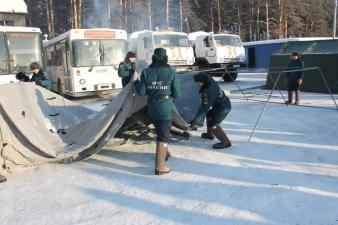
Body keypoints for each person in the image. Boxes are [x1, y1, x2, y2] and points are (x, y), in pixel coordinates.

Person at [134, 48, 180, 175]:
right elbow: (177, 93)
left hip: (152, 108)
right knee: (163, 135)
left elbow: (141, 92)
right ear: (166, 58)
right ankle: (160, 167)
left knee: (161, 131)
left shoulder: (146, 72)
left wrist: (137, 83)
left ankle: (164, 153)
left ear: (153, 58)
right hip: (165, 108)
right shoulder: (171, 73)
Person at [190, 72, 232, 149]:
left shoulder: (208, 92)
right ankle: (210, 135)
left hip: (223, 108)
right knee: (209, 114)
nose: (197, 84)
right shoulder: (210, 81)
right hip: (221, 104)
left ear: (203, 82)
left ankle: (226, 142)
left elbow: (204, 109)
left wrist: (196, 121)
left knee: (214, 124)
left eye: (198, 82)